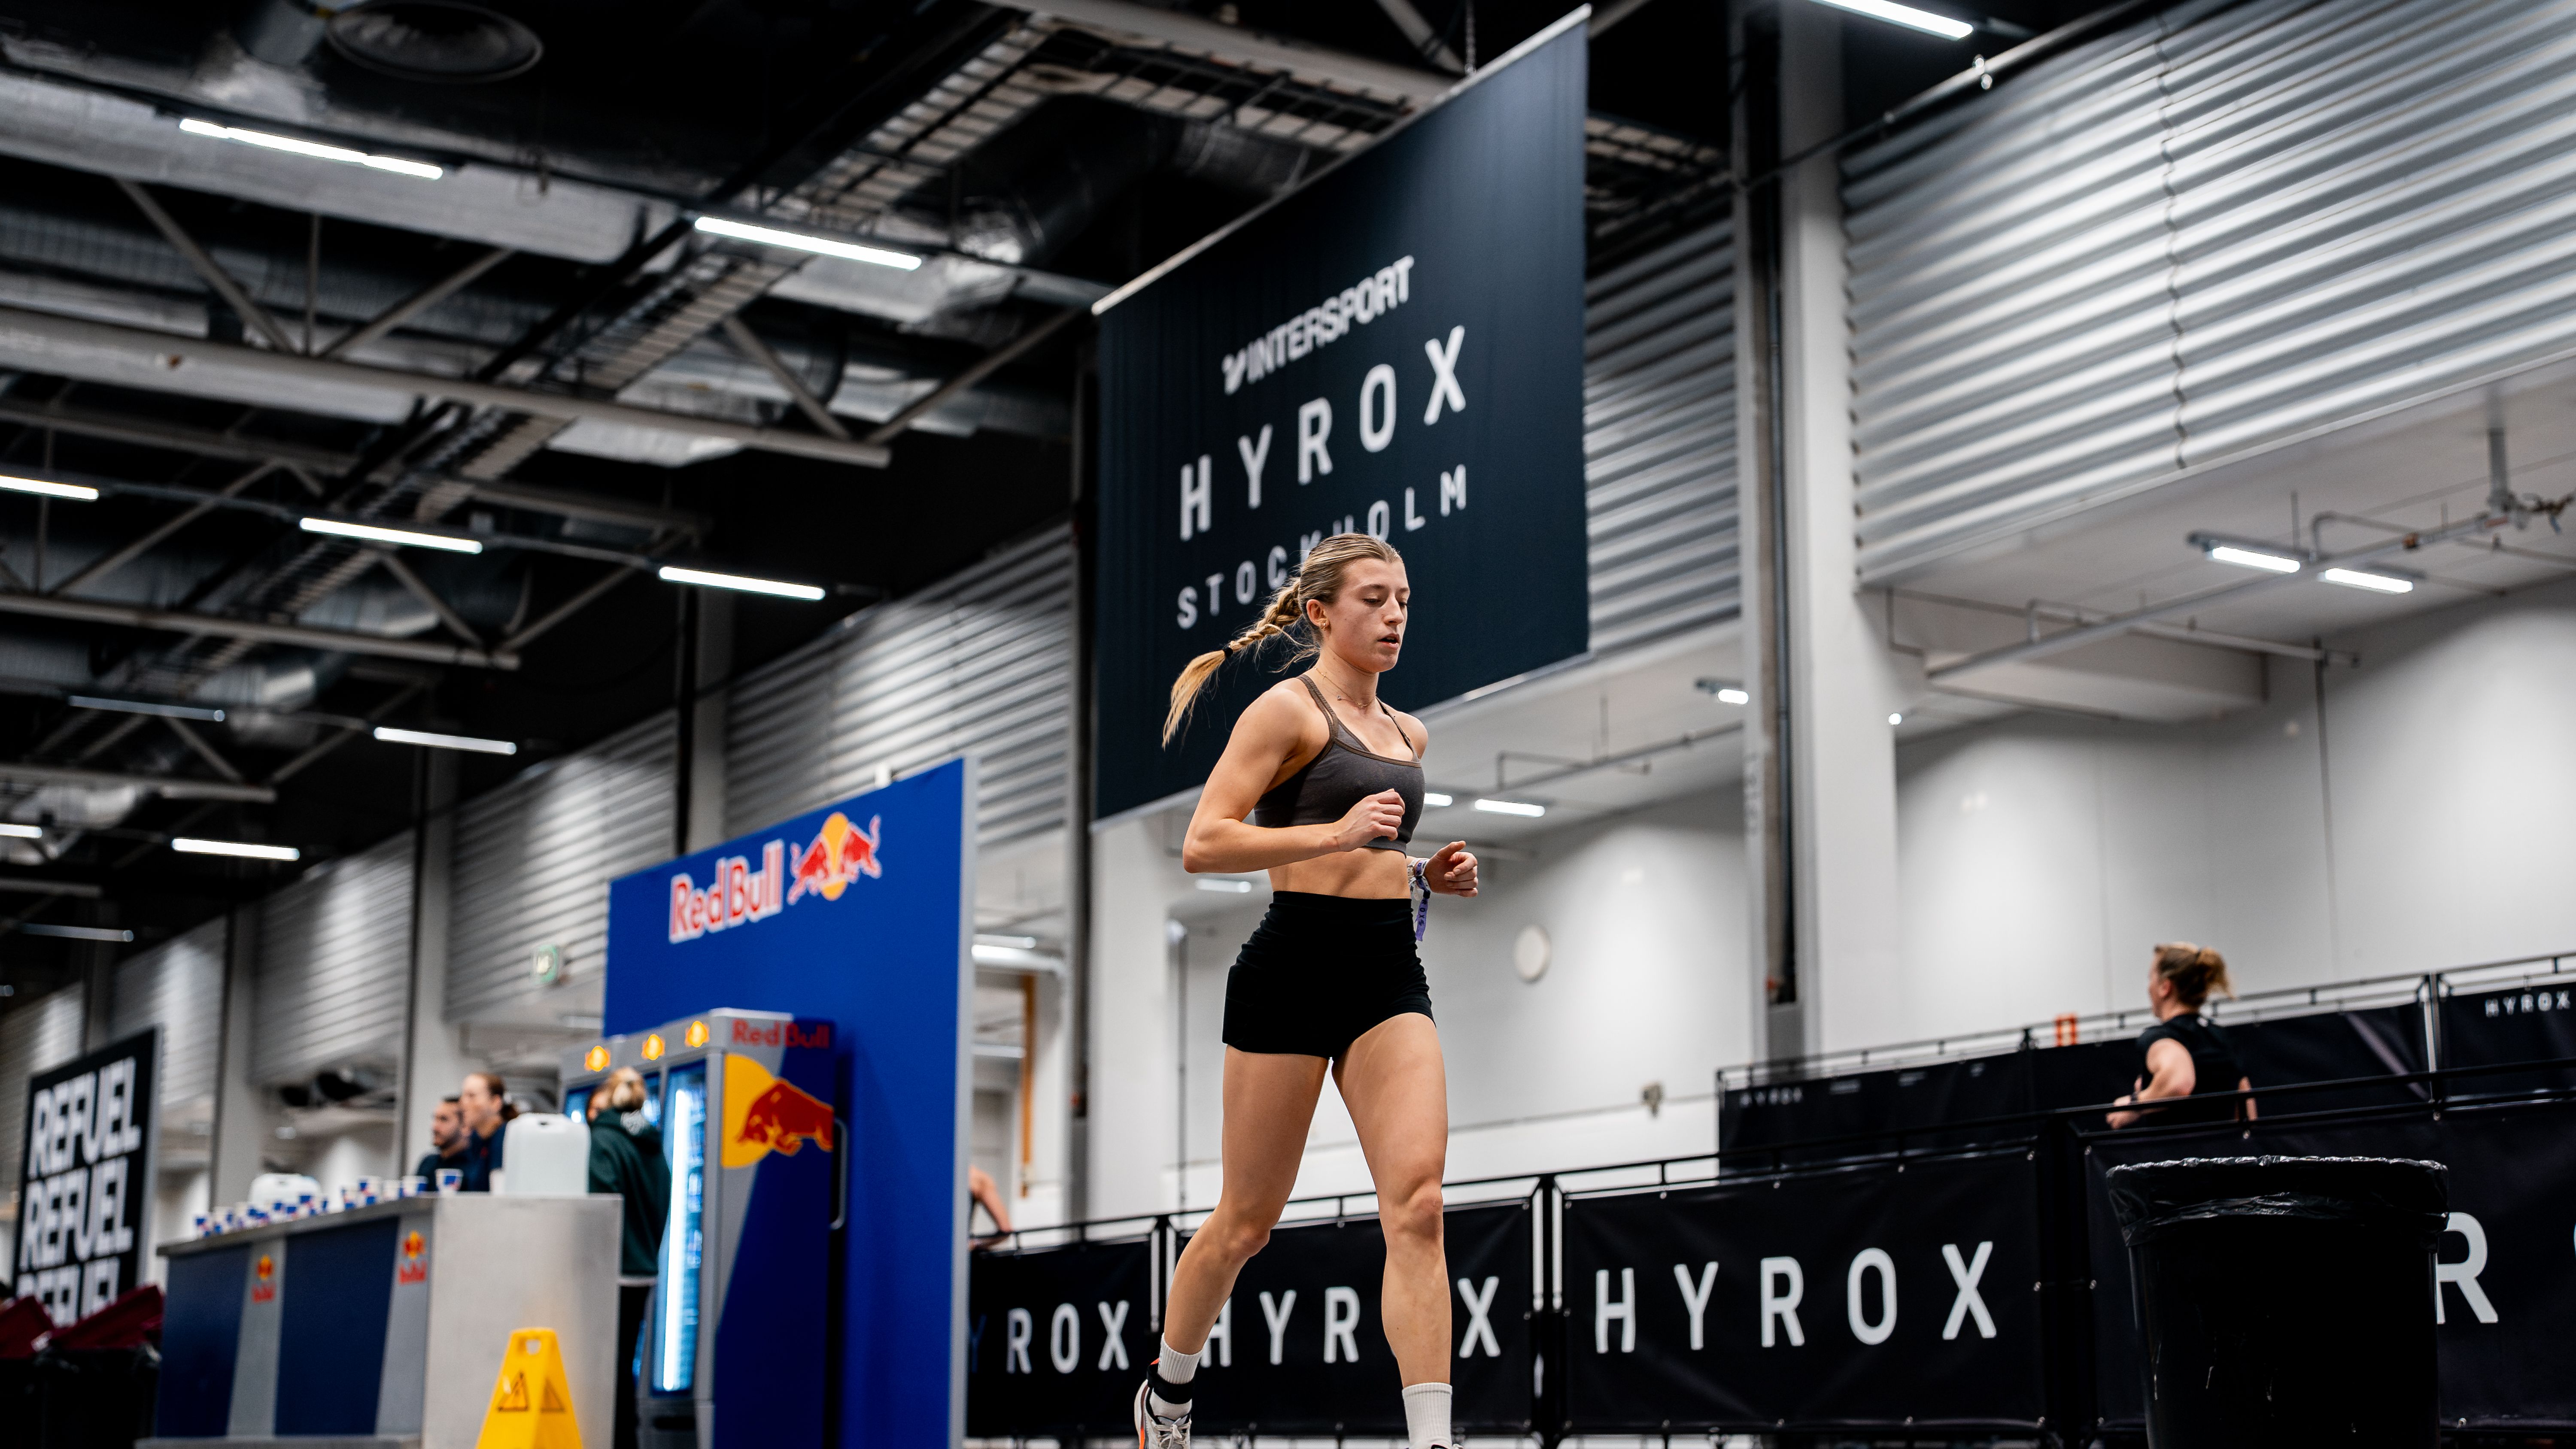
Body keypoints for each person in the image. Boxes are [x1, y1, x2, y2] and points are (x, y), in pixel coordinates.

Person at [1133, 534, 1479, 1449]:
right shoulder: (1285, 710)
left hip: (1385, 971)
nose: (1395, 615)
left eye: (1404, 598)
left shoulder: (1409, 732)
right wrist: (1334, 834)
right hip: (1290, 970)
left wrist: (1422, 872)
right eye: (1375, 598)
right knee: (1246, 1222)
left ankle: (1432, 1439)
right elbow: (1204, 842)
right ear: (1321, 612)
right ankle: (1168, 1392)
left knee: (1420, 1206)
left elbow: (1371, 849)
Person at [586, 1068, 669, 1449]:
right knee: (625, 1363)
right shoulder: (652, 1142)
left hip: (611, 1269)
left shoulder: (603, 1140)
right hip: (643, 1269)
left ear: (606, 1099)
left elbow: (600, 1205)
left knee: (607, 1367)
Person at [2109, 943, 2257, 1128]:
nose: (2149, 987)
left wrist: (2133, 1104)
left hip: (2176, 1146)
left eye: (2151, 979)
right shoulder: (2221, 1037)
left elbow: (2179, 1082)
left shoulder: (2160, 1037)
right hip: (2224, 1146)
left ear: (2165, 987)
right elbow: (2246, 1105)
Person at [456, 1071, 515, 1191]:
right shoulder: (477, 1140)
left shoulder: (505, 1137)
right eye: (463, 1096)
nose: (463, 1103)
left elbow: (499, 1193)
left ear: (495, 1102)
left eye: (472, 1096)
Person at [412, 1095, 465, 1184]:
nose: (435, 1127)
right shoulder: (428, 1163)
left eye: (444, 1119)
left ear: (465, 1126)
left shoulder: (475, 1167)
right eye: (435, 1119)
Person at [967, 1164, 1013, 1249]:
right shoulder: (978, 1178)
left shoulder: (978, 1179)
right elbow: (1005, 1231)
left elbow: (1005, 1230)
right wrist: (973, 1244)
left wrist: (973, 1244)